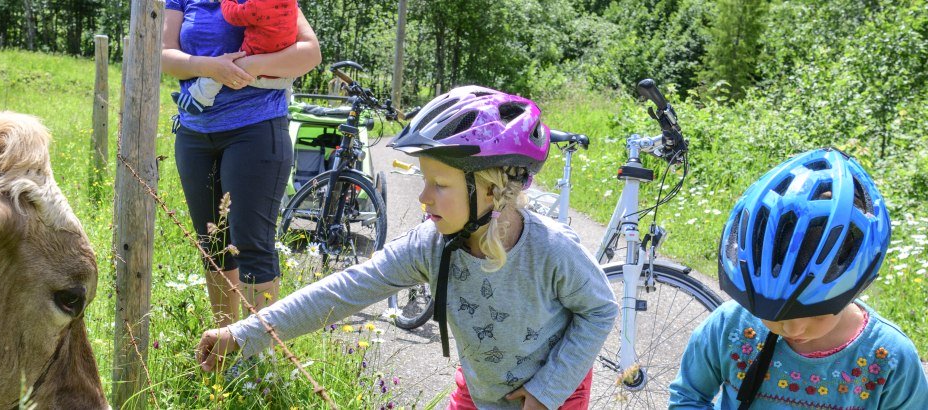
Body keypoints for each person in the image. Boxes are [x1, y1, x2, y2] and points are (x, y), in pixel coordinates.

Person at [194, 86, 619, 410]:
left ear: (491, 189)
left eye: (440, 184)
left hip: (553, 391)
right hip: (480, 389)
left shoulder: (550, 250)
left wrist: (547, 392)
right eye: (423, 179)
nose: (423, 197)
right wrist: (241, 333)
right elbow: (344, 289)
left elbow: (600, 309)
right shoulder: (430, 246)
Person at [669, 148, 928, 409]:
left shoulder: (889, 360)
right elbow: (688, 396)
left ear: (853, 289)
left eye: (814, 314)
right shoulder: (730, 327)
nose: (792, 330)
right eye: (774, 314)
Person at [162, 0, 320, 328]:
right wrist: (211, 67)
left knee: (251, 247)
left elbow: (310, 53)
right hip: (194, 136)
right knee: (214, 245)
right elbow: (164, 55)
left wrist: (250, 65)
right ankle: (224, 345)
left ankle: (259, 363)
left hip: (256, 130)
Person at [172, 0, 299, 114]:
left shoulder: (257, 6)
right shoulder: (289, 3)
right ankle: (285, 100)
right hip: (279, 62)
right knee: (283, 83)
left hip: (255, 53)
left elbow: (233, 15)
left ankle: (198, 100)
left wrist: (226, 1)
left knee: (221, 71)